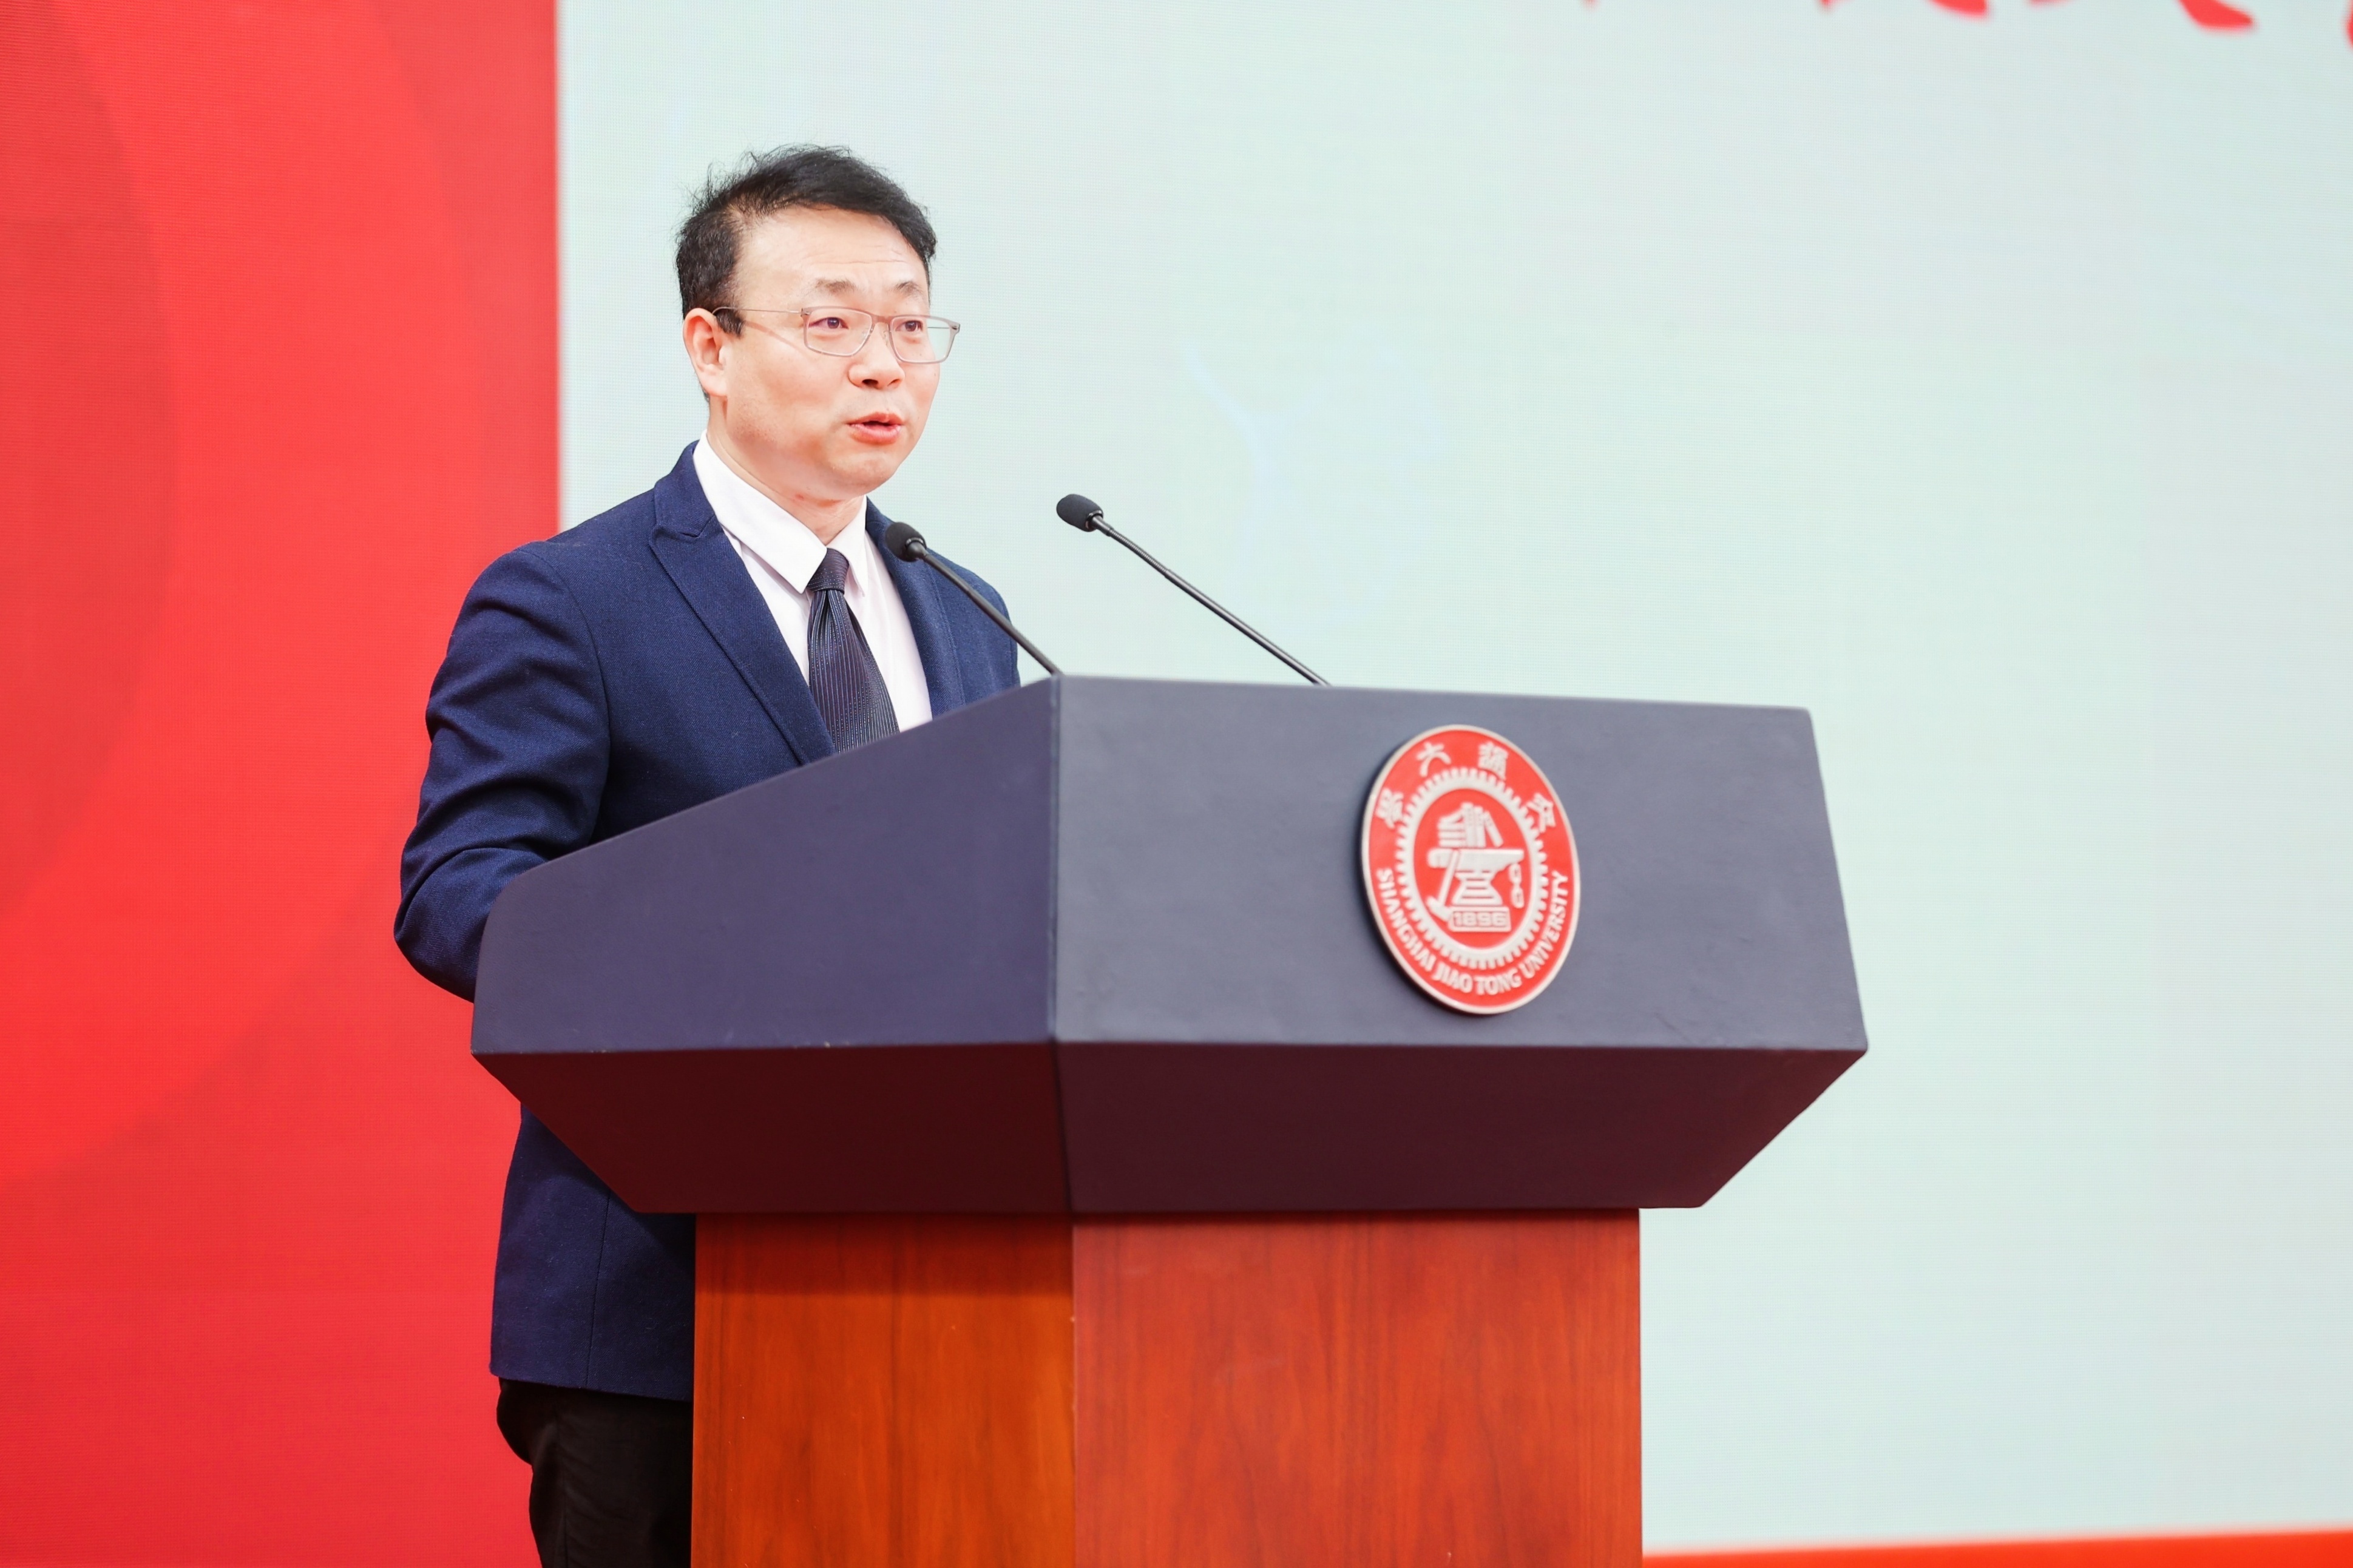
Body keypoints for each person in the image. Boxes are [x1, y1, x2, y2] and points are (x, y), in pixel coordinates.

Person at [395, 146, 1020, 1568]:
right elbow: (459, 895)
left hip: (944, 1291)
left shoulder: (964, 611)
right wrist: (733, 960)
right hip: (659, 1296)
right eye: (831, 321)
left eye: (910, 323)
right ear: (710, 348)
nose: (884, 363)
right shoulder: (573, 597)